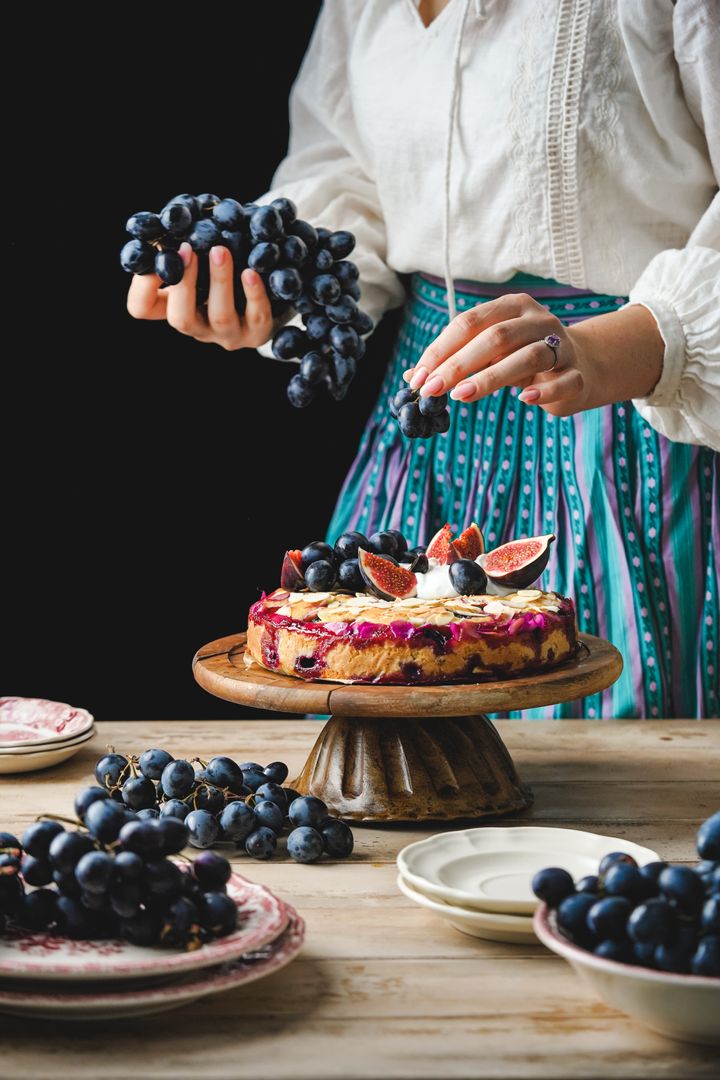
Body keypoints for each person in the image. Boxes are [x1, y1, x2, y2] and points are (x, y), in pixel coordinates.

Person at [127, 0, 719, 719]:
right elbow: (348, 171)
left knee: (618, 781)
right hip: (427, 422)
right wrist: (271, 286)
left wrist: (627, 346)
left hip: (639, 431)